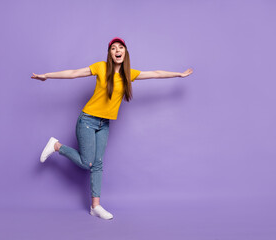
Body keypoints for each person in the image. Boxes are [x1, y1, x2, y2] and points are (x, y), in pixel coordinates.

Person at [31, 37, 193, 220]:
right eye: (113, 48)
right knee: (87, 163)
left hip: (104, 124)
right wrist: (47, 75)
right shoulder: (101, 67)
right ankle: (56, 146)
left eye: (121, 47)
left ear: (125, 52)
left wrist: (178, 74)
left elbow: (155, 73)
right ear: (109, 54)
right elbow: (74, 73)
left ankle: (95, 207)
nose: (117, 50)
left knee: (98, 164)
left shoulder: (128, 74)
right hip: (87, 120)